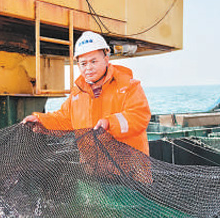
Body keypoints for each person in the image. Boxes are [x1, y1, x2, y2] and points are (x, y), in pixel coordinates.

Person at [23, 31, 151, 155]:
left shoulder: (128, 86)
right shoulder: (77, 93)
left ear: (106, 59)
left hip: (129, 169)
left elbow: (140, 116)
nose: (88, 68)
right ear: (78, 65)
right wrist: (40, 120)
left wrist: (110, 123)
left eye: (93, 61)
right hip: (93, 169)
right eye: (83, 63)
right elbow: (64, 119)